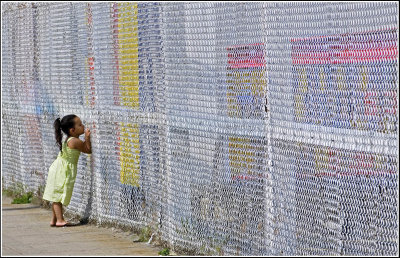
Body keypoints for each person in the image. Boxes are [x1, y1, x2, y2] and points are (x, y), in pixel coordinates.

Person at [42, 114, 92, 227]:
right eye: (80, 125)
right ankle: (60, 220)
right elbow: (88, 150)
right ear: (72, 130)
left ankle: (54, 220)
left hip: (59, 168)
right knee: (58, 195)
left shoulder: (70, 139)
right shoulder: (74, 141)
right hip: (62, 170)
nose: (83, 126)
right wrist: (87, 138)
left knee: (56, 194)